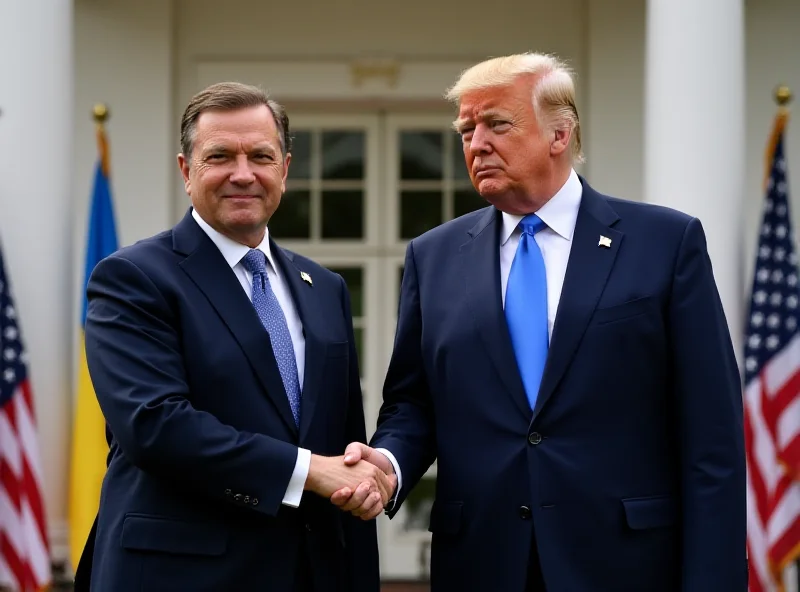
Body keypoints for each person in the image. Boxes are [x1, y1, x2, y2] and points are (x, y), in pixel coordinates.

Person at [333, 53, 747, 591]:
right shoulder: (433, 257)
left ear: (560, 133)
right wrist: (387, 464)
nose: (475, 143)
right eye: (466, 129)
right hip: (482, 562)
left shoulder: (665, 244)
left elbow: (710, 435)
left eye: (496, 124)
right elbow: (414, 403)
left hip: (628, 565)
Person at [73, 82, 393, 592]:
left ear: (284, 170)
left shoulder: (324, 288)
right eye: (220, 155)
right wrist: (310, 471)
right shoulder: (133, 278)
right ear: (186, 171)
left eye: (260, 156)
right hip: (180, 576)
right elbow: (154, 426)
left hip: (312, 572)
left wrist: (361, 482)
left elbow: (338, 436)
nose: (242, 174)